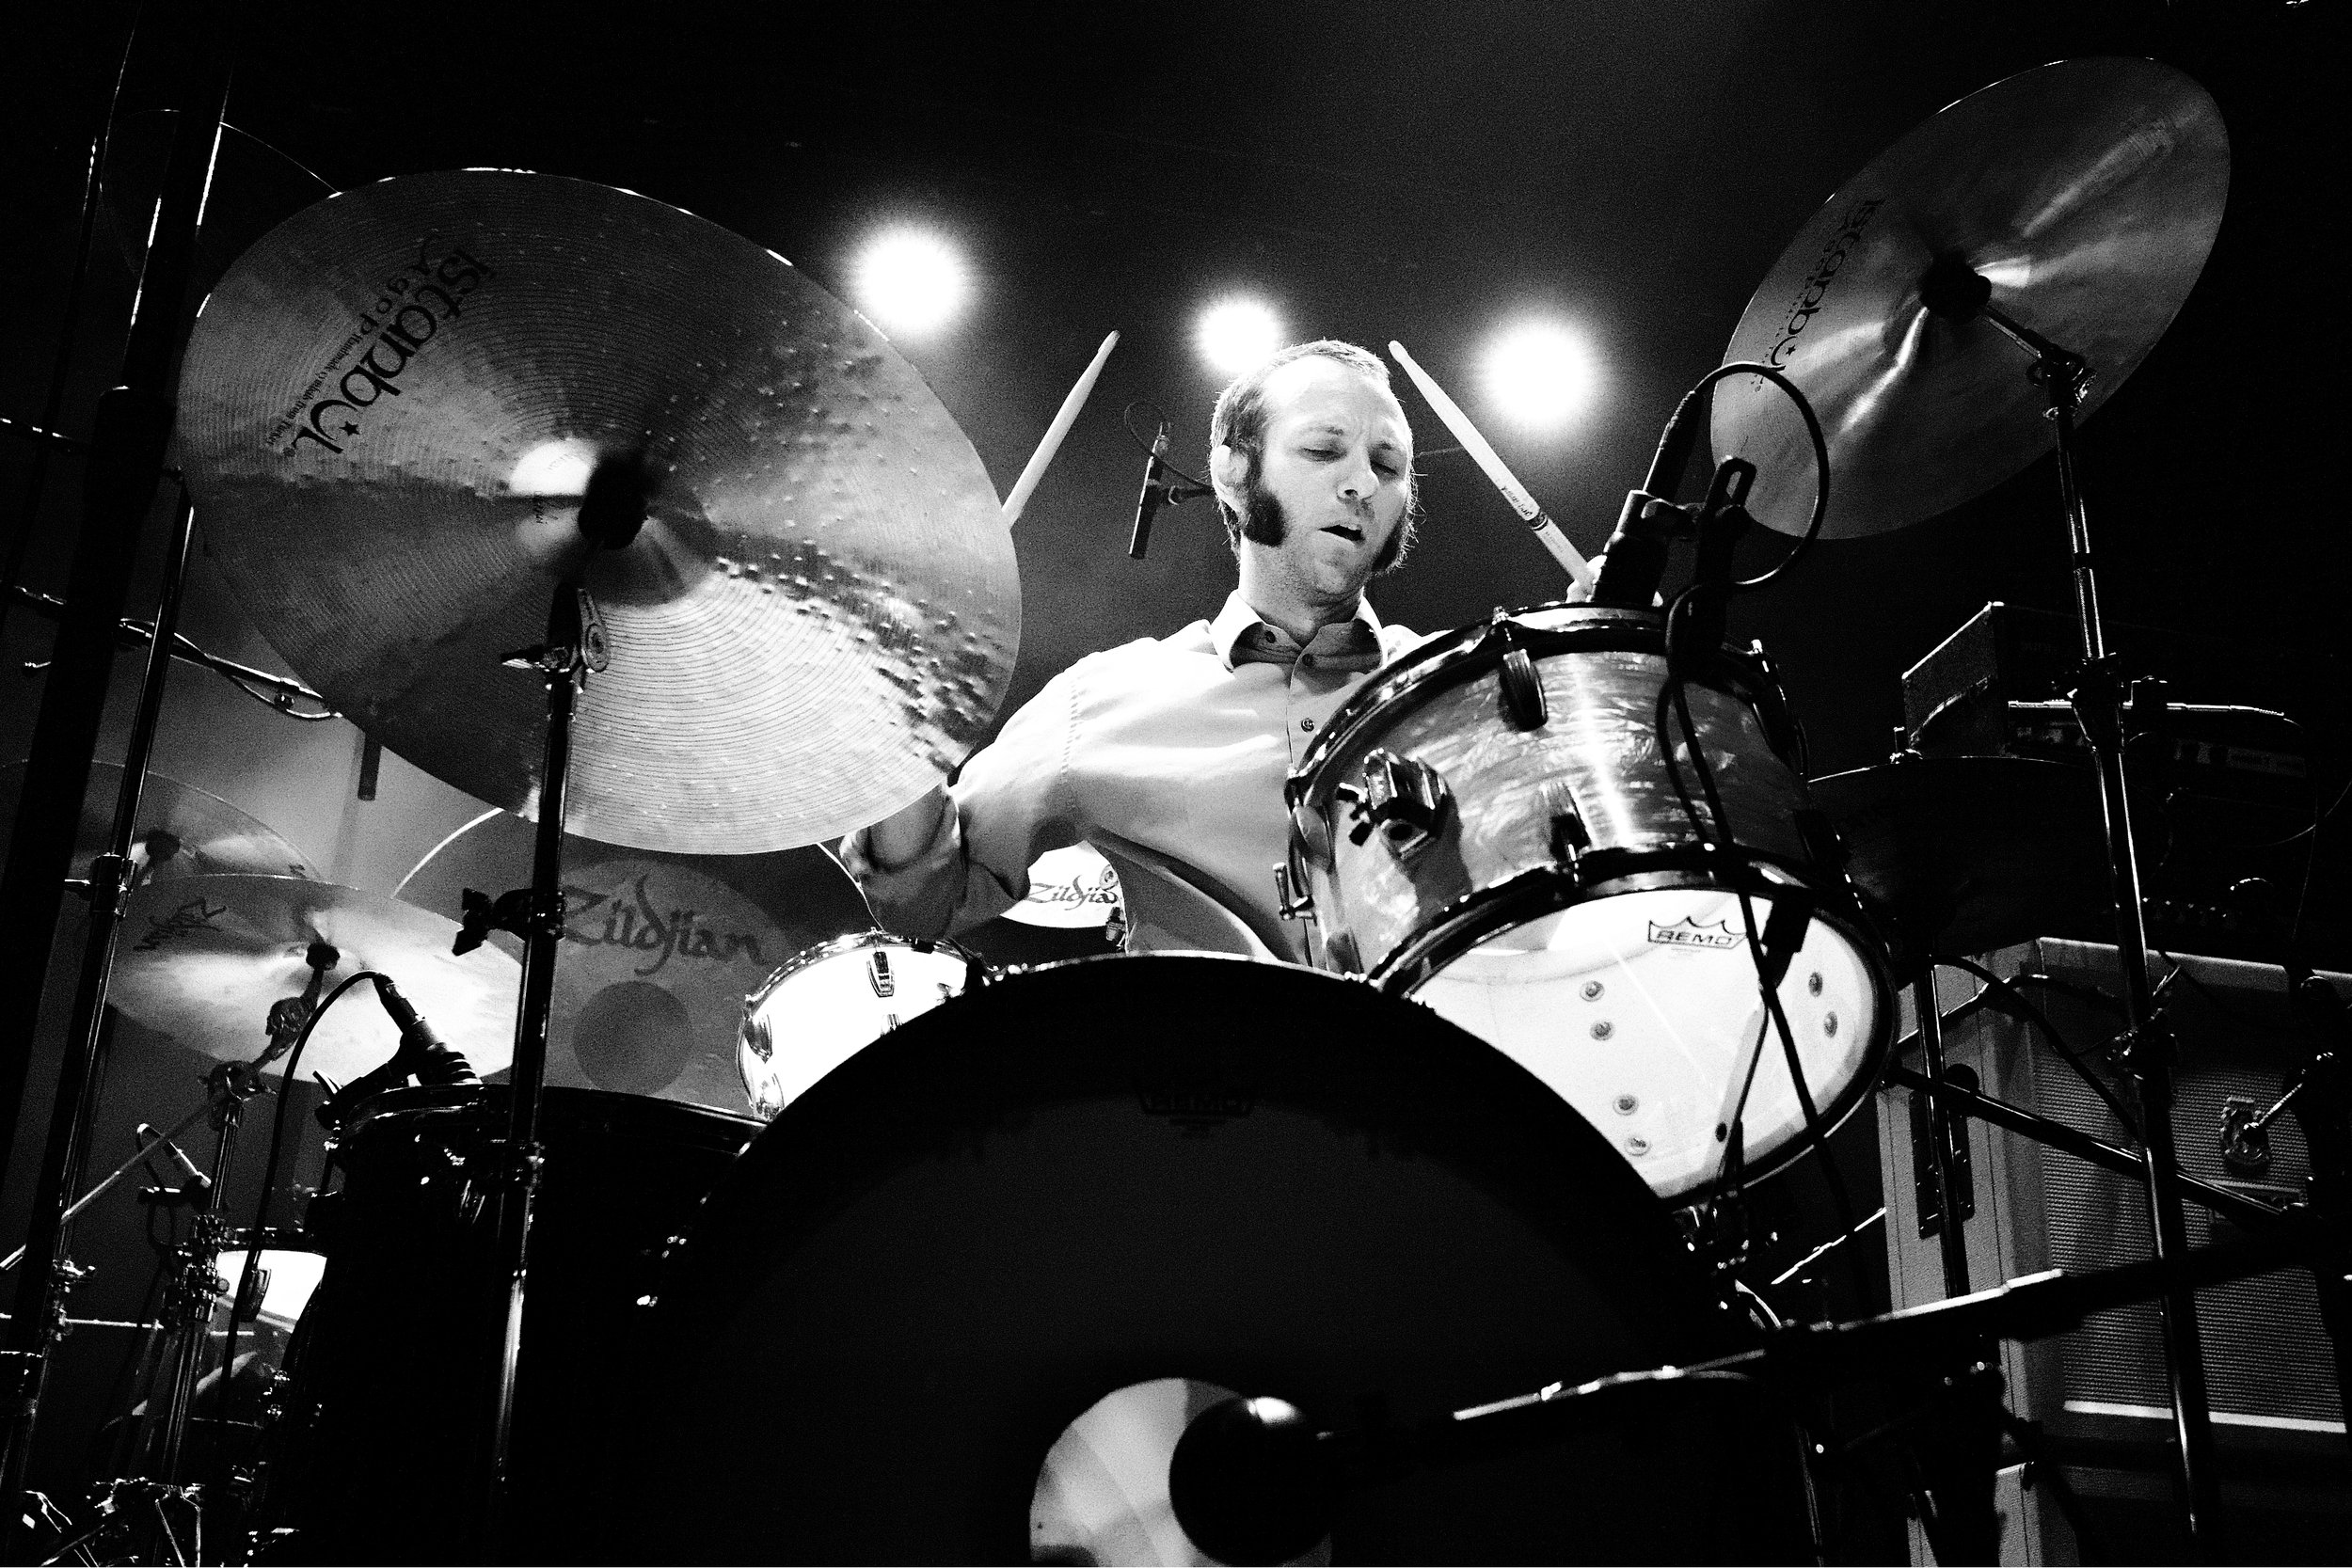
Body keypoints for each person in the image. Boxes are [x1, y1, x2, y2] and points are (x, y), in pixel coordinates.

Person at [841, 339, 1423, 962]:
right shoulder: (1103, 701)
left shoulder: (1474, 688)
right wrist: (905, 705)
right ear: (1233, 473)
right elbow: (922, 902)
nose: (1363, 482)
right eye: (1322, 450)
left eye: (1388, 466)